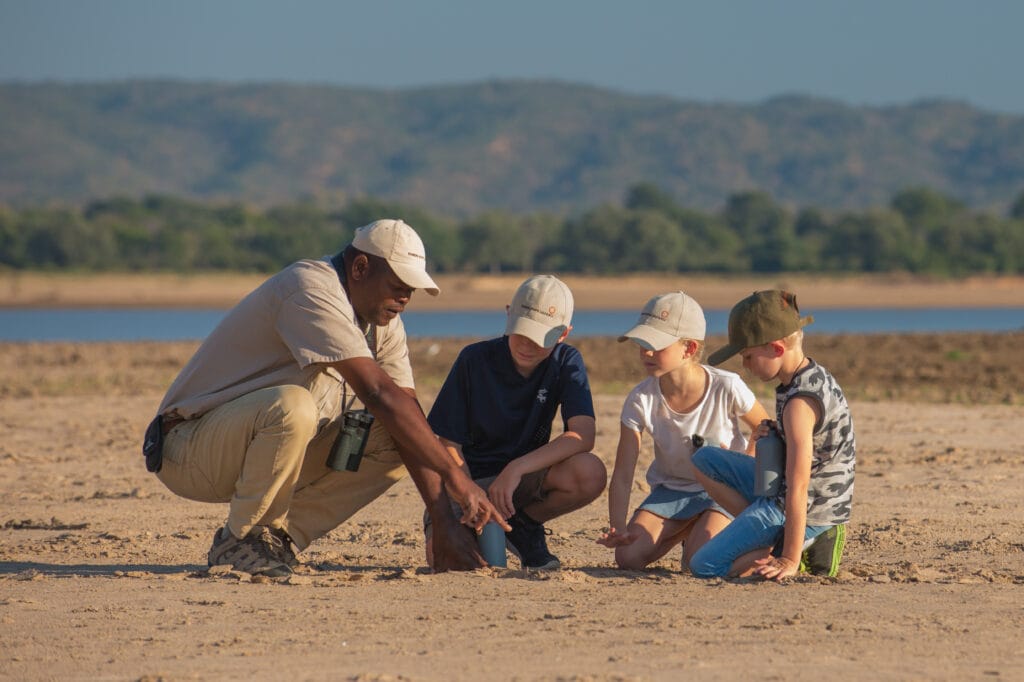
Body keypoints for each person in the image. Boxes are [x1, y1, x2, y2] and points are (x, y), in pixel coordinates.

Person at [144, 219, 506, 577]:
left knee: (403, 434)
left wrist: (443, 519)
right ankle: (240, 540)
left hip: (267, 452)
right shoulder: (309, 288)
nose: (405, 300)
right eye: (398, 286)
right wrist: (455, 477)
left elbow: (404, 408)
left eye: (411, 291)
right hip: (189, 450)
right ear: (361, 267)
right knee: (292, 407)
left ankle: (276, 540)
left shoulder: (383, 321)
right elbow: (378, 394)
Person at [425, 275, 607, 569]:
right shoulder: (474, 359)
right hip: (465, 481)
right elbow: (447, 441)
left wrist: (516, 468)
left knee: (590, 471)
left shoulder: (566, 361)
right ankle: (478, 529)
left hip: (520, 483)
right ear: (509, 313)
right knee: (446, 562)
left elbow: (583, 435)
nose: (528, 344)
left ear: (564, 333)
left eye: (542, 336)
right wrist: (468, 491)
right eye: (522, 331)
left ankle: (524, 526)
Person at [688, 290, 855, 581]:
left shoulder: (799, 404)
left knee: (703, 566)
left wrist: (788, 560)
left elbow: (800, 485)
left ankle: (792, 546)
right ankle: (766, 536)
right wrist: (777, 435)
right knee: (704, 459)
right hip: (786, 494)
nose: (745, 365)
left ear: (776, 348)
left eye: (748, 356)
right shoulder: (805, 376)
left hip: (809, 506)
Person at [597, 291, 769, 570]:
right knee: (627, 557)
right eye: (641, 343)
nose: (646, 352)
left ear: (689, 349)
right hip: (671, 490)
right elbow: (623, 472)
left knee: (697, 563)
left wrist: (746, 460)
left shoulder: (727, 385)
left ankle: (711, 534)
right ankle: (689, 527)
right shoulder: (640, 398)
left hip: (723, 490)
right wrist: (618, 527)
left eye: (656, 345)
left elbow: (766, 428)